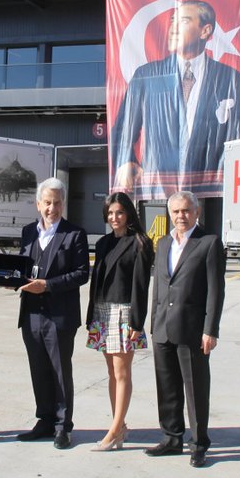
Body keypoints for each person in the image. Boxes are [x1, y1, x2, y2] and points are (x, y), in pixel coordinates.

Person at [111, 0, 240, 197]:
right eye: (172, 20)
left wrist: (234, 177)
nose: (173, 28)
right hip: (158, 186)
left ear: (205, 31)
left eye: (183, 21)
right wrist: (125, 160)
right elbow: (124, 126)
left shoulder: (229, 78)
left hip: (209, 187)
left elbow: (238, 135)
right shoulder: (147, 75)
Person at [146, 190, 225, 468]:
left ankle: (199, 444)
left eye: (186, 210)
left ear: (197, 212)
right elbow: (159, 287)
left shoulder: (209, 243)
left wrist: (210, 329)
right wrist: (153, 323)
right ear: (170, 214)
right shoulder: (164, 243)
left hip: (192, 331)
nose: (181, 216)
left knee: (195, 391)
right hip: (163, 329)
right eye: (176, 211)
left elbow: (216, 290)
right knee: (167, 388)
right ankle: (171, 437)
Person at [16, 177, 90, 449]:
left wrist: (47, 285)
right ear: (38, 204)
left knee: (60, 372)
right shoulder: (28, 232)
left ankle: (62, 426)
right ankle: (45, 420)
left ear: (63, 204)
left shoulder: (74, 234)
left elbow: (82, 274)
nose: (52, 208)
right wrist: (7, 277)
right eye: (47, 203)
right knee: (38, 370)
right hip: (31, 315)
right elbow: (21, 267)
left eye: (57, 203)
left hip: (60, 316)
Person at [84, 191, 153, 451]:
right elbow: (96, 282)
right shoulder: (103, 243)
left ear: (129, 214)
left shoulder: (140, 243)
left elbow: (141, 286)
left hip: (125, 312)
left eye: (120, 212)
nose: (115, 217)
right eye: (111, 213)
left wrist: (137, 322)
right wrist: (91, 315)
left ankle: (114, 431)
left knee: (122, 372)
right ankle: (119, 425)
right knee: (111, 373)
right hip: (102, 311)